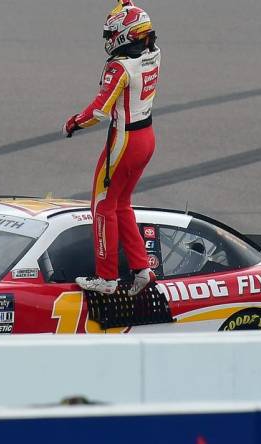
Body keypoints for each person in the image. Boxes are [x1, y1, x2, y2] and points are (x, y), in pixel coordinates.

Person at [62, 0, 161, 296]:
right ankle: (142, 269)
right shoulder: (154, 54)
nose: (107, 39)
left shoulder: (120, 66)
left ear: (124, 34)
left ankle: (106, 278)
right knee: (122, 204)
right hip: (147, 137)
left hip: (124, 140)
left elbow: (99, 111)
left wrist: (73, 123)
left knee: (102, 206)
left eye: (110, 34)